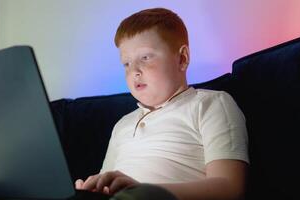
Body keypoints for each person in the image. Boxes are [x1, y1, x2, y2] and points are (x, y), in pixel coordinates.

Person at [75, 7, 249, 200]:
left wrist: (143, 191)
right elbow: (106, 183)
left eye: (145, 57)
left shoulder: (211, 104)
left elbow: (230, 187)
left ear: (182, 59)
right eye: (126, 63)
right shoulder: (122, 124)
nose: (134, 71)